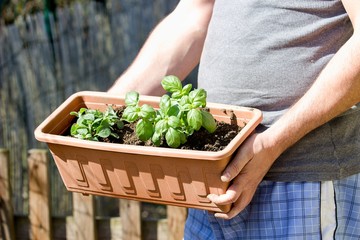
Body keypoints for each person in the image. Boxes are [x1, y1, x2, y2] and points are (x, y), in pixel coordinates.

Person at [108, 0, 360, 239]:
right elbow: (193, 17)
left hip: (301, 179)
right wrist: (106, 112)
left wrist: (272, 142)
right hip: (212, 179)